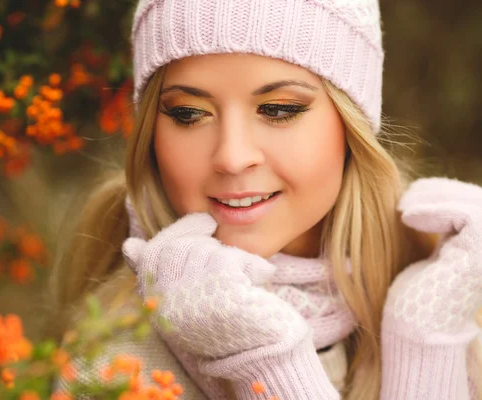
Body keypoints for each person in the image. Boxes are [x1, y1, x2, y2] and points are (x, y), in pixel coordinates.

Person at [49, 0, 482, 398]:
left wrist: (427, 343)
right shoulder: (113, 365)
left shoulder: (449, 298)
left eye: (278, 110)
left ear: (352, 126)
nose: (232, 157)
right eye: (188, 114)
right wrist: (268, 365)